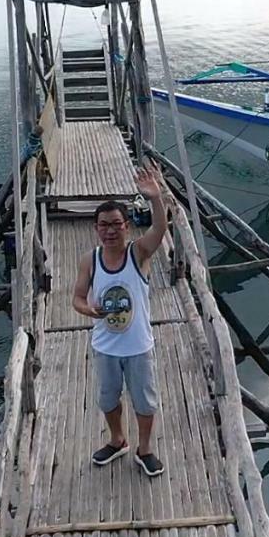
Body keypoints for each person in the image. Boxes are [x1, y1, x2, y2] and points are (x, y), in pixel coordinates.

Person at [71, 162, 167, 477]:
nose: (110, 231)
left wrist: (154, 198)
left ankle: (145, 449)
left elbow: (159, 230)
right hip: (106, 346)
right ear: (96, 228)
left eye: (116, 224)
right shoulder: (90, 260)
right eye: (103, 225)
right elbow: (77, 297)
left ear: (126, 226)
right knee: (108, 397)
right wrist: (88, 310)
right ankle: (117, 440)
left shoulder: (138, 253)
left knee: (144, 400)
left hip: (137, 346)